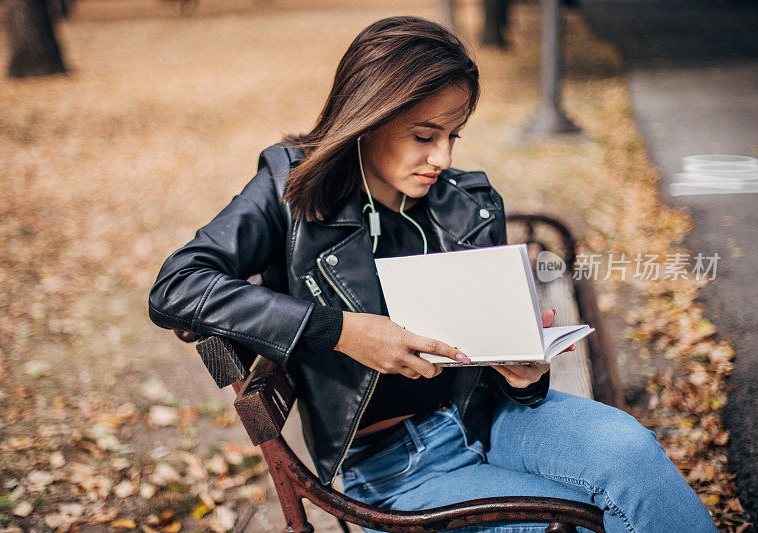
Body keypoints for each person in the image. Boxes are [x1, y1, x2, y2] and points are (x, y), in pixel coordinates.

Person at [148, 15, 717, 533]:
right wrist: (343, 331)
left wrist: (523, 373)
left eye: (453, 136)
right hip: (396, 468)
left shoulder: (463, 204)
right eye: (425, 136)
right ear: (368, 118)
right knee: (599, 524)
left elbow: (496, 371)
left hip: (489, 420)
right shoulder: (287, 187)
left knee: (631, 453)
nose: (443, 158)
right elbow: (178, 286)